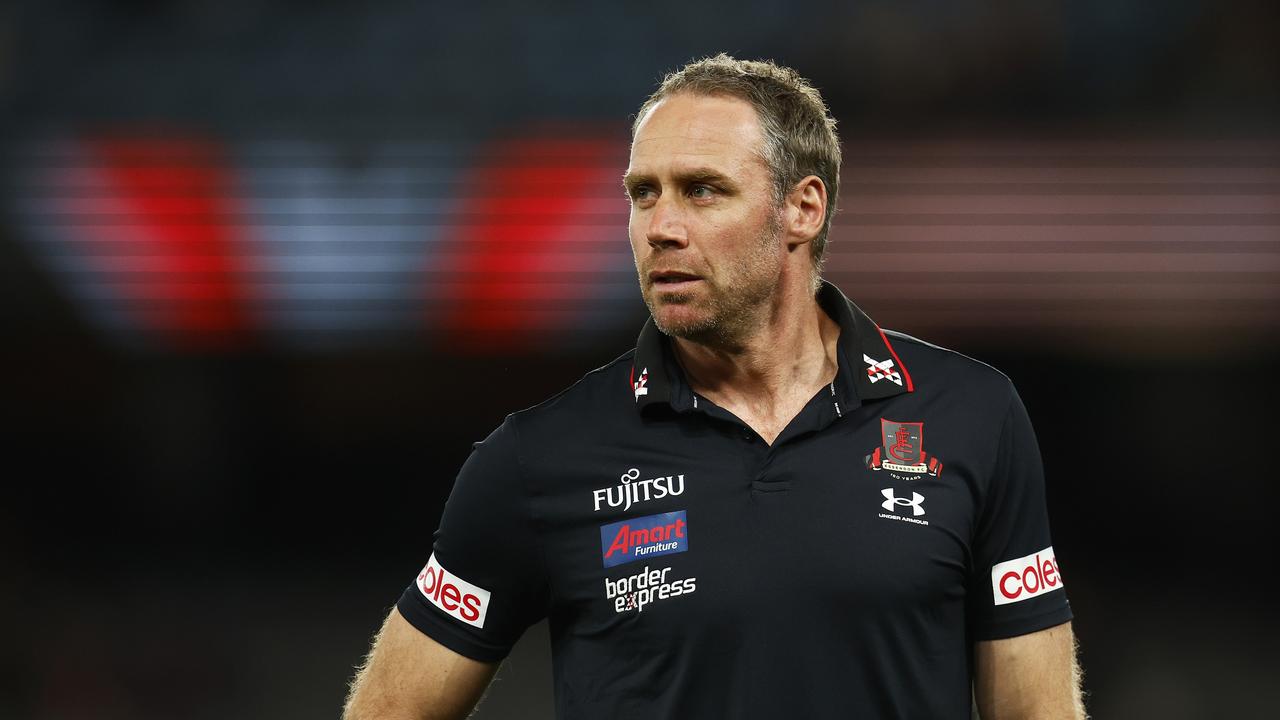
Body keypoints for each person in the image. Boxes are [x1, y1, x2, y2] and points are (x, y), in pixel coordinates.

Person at [343, 54, 1086, 720]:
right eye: (642, 194)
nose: (660, 226)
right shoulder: (538, 459)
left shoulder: (972, 416)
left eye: (702, 191)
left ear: (804, 208)